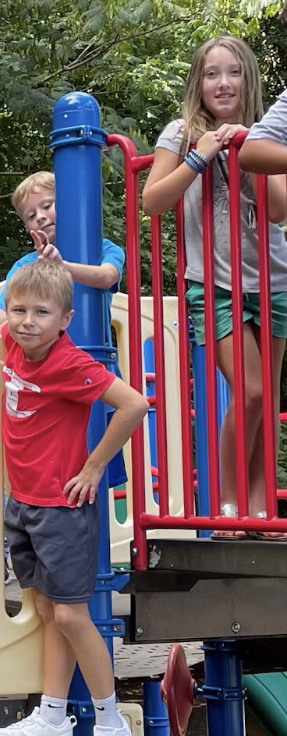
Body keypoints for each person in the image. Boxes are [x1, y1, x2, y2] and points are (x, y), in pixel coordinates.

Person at [0, 263, 148, 736]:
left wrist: (93, 468)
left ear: (65, 319)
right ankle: (51, 716)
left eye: (41, 313)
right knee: (47, 610)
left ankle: (110, 722)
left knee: (71, 616)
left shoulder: (69, 363)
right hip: (23, 502)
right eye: (19, 310)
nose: (27, 321)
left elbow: (133, 404)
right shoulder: (13, 339)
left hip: (62, 507)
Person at [142, 36, 287, 533]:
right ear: (197, 83)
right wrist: (200, 157)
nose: (222, 83)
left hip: (273, 279)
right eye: (211, 74)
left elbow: (279, 209)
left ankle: (260, 509)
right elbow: (153, 202)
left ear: (248, 79)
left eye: (233, 72)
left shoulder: (265, 136)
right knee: (248, 391)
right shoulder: (181, 133)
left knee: (266, 397)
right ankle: (227, 506)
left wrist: (250, 154)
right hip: (213, 281)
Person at [4, 171, 125, 339]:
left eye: (47, 206)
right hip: (43, 359)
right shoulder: (24, 265)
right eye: (31, 216)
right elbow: (2, 312)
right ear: (27, 227)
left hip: (94, 356)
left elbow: (107, 277)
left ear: (69, 204)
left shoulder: (103, 249)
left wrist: (61, 266)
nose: (40, 217)